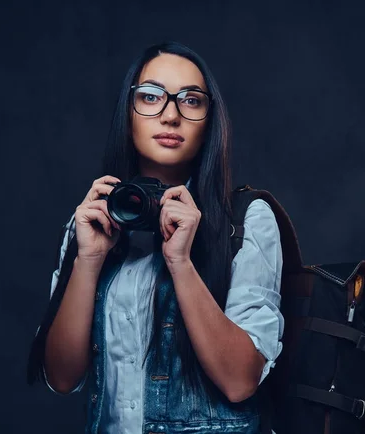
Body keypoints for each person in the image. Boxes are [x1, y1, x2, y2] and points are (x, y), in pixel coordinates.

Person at [33, 41, 283, 434]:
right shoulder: (91, 221)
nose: (170, 115)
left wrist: (181, 263)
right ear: (127, 114)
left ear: (209, 121)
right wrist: (88, 261)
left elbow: (240, 381)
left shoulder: (244, 221)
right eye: (150, 96)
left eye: (191, 101)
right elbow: (62, 379)